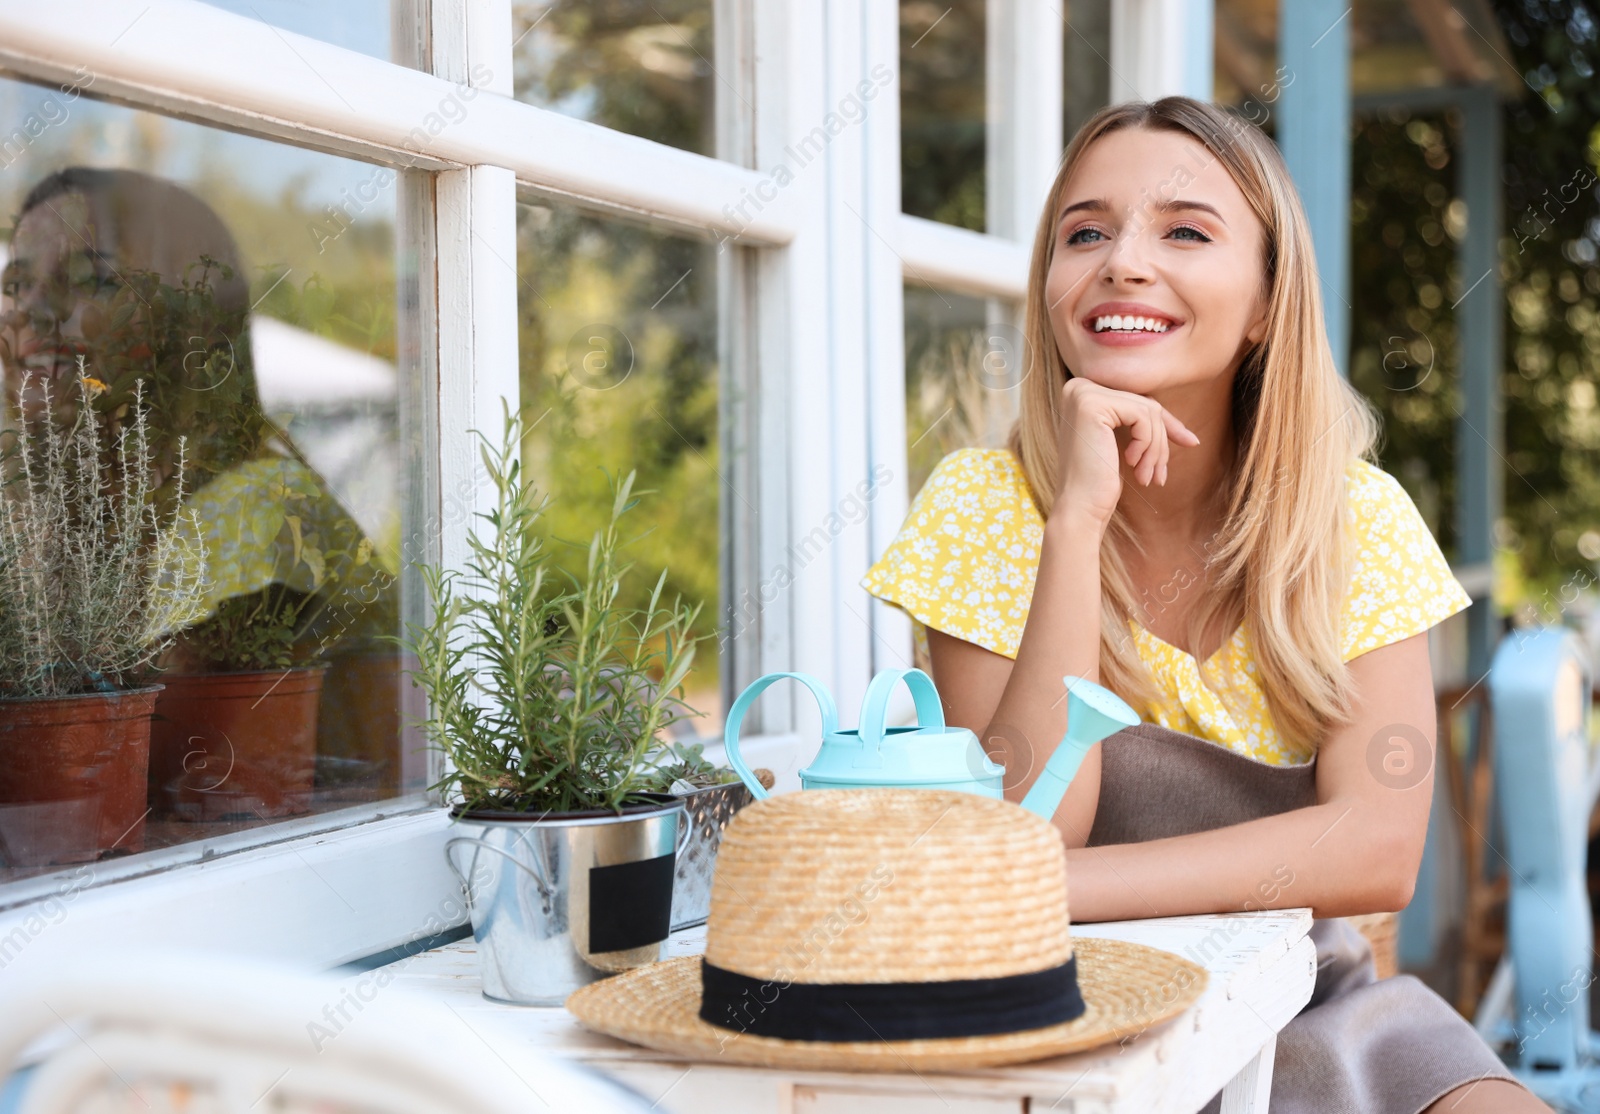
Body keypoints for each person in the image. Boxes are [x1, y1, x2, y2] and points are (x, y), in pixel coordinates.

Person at [861, 98, 1545, 1113]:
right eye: (1082, 232)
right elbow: (1024, 829)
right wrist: (1078, 525)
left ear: (1269, 301)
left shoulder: (1353, 517)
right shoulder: (985, 508)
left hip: (1314, 1003)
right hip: (1063, 1016)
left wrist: (1056, 891)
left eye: (1184, 230)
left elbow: (1375, 848)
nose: (1121, 262)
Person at [0, 168, 393, 736]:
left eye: (95, 281)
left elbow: (168, 771)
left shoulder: (254, 510)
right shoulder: (50, 508)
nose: (30, 310)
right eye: (16, 284)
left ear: (191, 326)